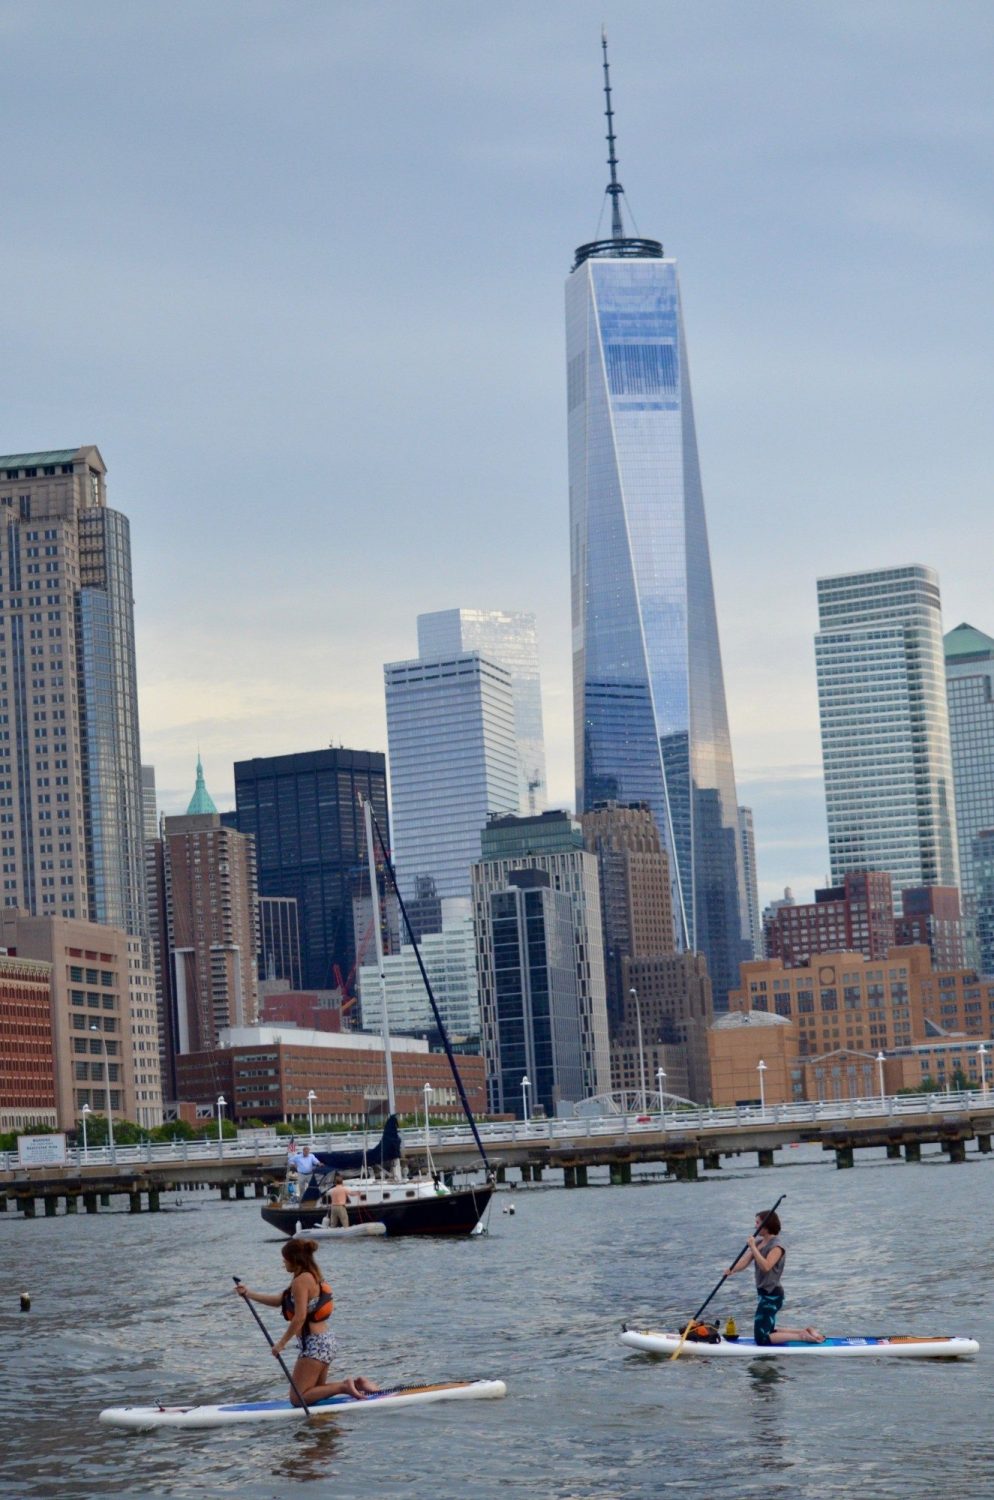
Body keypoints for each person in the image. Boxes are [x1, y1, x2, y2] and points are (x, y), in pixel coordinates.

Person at [235, 1238, 379, 1404]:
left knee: (298, 1398)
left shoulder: (300, 1281)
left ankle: (345, 1386)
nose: (283, 1264)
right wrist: (249, 1294)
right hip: (325, 1342)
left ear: (295, 1260)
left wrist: (281, 1344)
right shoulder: (311, 1276)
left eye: (285, 1259)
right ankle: (357, 1384)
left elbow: (300, 1317)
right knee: (314, 1393)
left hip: (314, 1344)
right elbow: (279, 1301)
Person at [726, 1209, 824, 1345]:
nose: (755, 1226)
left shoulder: (777, 1246)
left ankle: (802, 1337)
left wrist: (753, 1247)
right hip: (764, 1293)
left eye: (757, 1223)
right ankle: (804, 1331)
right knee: (768, 1330)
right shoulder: (760, 1243)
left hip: (772, 1295)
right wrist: (731, 1270)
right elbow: (745, 1262)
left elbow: (766, 1266)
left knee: (762, 1339)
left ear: (766, 1225)